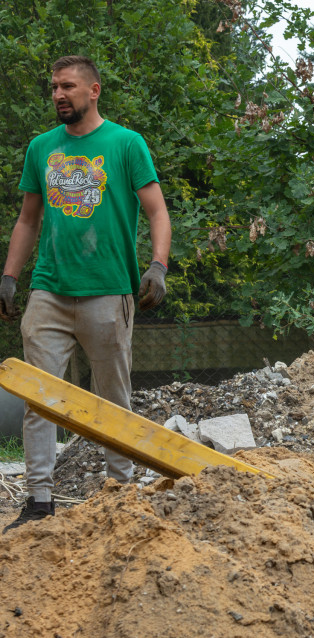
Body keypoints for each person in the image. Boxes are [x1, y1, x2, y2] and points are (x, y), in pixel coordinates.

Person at [0, 55, 171, 533]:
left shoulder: (125, 144)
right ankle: (38, 502)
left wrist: (157, 266)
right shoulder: (41, 148)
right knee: (40, 397)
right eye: (54, 86)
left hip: (107, 291)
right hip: (49, 292)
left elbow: (157, 211)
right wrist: (10, 276)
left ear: (93, 91)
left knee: (113, 398)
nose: (58, 94)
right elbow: (28, 219)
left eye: (68, 86)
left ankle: (121, 494)